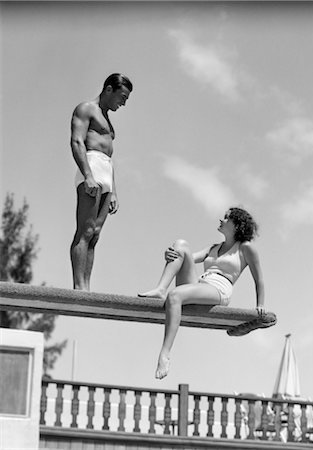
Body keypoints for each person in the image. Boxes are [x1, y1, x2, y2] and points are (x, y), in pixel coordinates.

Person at [138, 207, 265, 380]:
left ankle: (164, 354)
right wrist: (170, 254)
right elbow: (185, 257)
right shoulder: (214, 247)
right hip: (200, 284)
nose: (222, 219)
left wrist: (260, 305)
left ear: (236, 225)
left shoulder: (245, 248)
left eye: (227, 218)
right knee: (180, 245)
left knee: (175, 296)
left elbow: (259, 280)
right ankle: (161, 288)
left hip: (219, 289)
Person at [70, 73, 133, 290]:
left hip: (105, 170)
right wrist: (88, 175)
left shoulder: (108, 120)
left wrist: (114, 191)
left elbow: (110, 158)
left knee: (95, 234)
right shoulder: (86, 109)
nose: (123, 103)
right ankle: (79, 287)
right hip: (92, 166)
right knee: (85, 230)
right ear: (108, 89)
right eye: (122, 97)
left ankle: (87, 286)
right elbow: (77, 141)